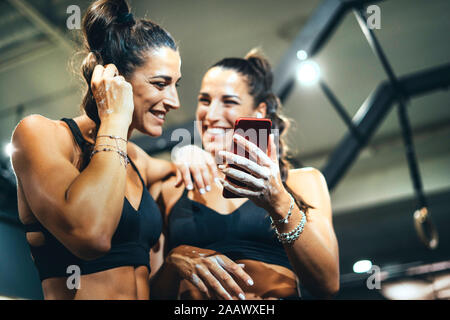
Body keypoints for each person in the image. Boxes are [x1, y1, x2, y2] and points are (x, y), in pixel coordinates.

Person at [10, 0, 181, 299]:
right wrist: (114, 118)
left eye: (175, 84)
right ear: (117, 79)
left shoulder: (139, 160)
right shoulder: (40, 134)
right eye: (160, 83)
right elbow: (91, 235)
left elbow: (175, 170)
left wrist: (190, 154)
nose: (174, 100)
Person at [150, 49, 340, 300]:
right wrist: (176, 260)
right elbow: (149, 294)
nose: (212, 114)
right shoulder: (172, 187)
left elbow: (328, 284)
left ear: (259, 112)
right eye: (205, 100)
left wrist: (278, 202)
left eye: (228, 102)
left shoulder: (303, 182)